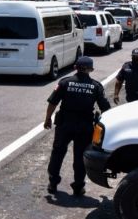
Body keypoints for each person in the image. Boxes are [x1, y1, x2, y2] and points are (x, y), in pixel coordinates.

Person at [43, 56, 110, 196]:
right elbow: (105, 108)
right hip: (85, 127)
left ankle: (53, 183)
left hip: (65, 124)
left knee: (57, 153)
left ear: (75, 67)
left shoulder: (65, 83)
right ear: (91, 69)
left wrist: (48, 118)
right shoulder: (95, 86)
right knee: (80, 157)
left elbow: (53, 103)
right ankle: (78, 186)